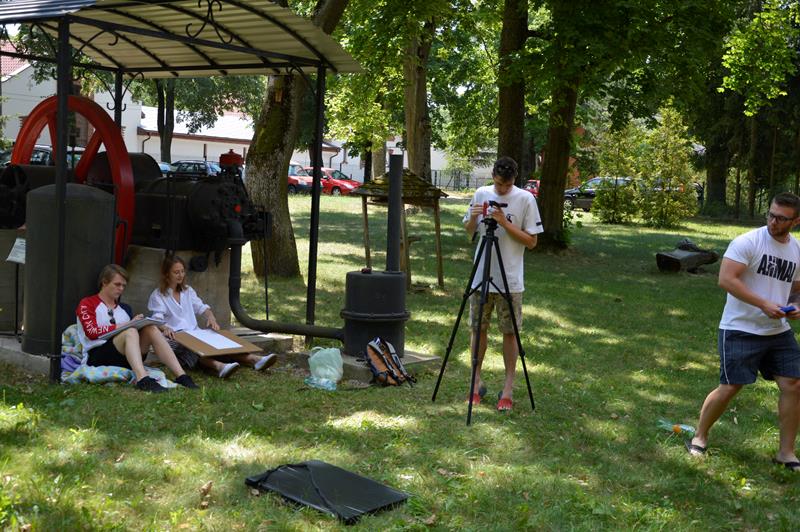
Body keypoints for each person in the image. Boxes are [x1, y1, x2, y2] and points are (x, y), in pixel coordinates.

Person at [687, 192, 800, 471]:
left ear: (796, 221)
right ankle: (699, 436)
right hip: (740, 327)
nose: (773, 222)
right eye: (771, 215)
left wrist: (796, 306)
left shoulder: (796, 250)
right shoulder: (748, 242)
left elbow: (796, 289)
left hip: (777, 331)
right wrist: (763, 304)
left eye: (782, 218)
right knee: (730, 386)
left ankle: (786, 452)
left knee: (794, 385)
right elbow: (726, 279)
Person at [463, 156, 542, 411]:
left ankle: (508, 388)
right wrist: (473, 218)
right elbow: (469, 231)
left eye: (506, 185)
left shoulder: (525, 199)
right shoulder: (481, 193)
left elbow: (532, 242)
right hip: (481, 275)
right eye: (498, 184)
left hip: (510, 279)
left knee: (510, 332)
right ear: (493, 177)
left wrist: (505, 223)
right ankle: (475, 383)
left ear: (514, 180)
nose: (502, 189)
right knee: (478, 328)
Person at [147, 255, 277, 378]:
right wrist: (165, 328)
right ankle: (219, 367)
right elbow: (156, 319)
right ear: (166, 274)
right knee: (191, 349)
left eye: (182, 271)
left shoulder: (188, 291)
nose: (181, 275)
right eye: (176, 272)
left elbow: (202, 307)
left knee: (218, 342)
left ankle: (255, 359)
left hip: (193, 333)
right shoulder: (158, 295)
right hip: (174, 337)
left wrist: (211, 317)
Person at [76, 264, 198, 392]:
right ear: (104, 282)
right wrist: (128, 324)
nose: (121, 289)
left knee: (151, 328)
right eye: (117, 284)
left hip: (127, 358)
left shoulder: (125, 308)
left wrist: (140, 323)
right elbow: (91, 332)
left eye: (123, 286)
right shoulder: (87, 303)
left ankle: (182, 376)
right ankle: (142, 380)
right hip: (98, 357)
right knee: (130, 331)